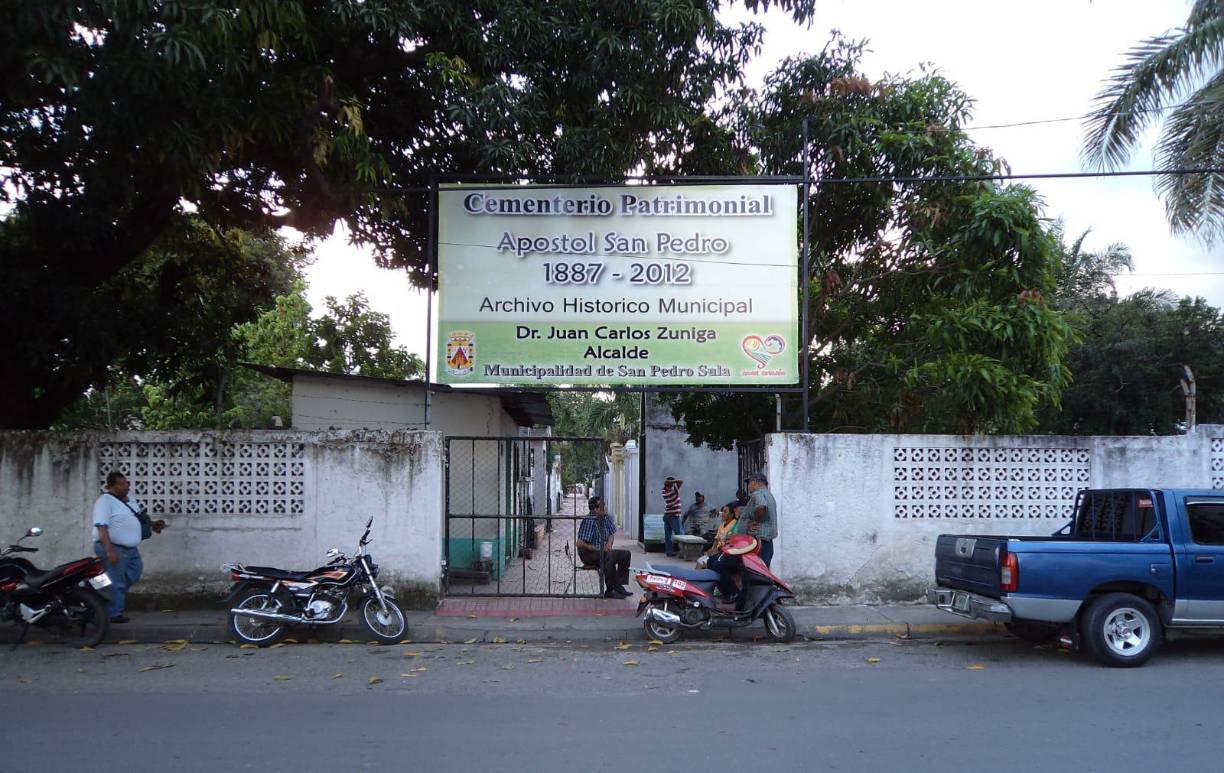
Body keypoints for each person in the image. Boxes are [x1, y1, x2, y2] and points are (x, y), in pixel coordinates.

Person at [92, 471, 166, 623]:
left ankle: (102, 594)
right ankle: (113, 614)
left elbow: (136, 516)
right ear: (110, 486)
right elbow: (102, 527)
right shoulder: (104, 501)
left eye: (126, 483)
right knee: (117, 581)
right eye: (122, 484)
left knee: (134, 573)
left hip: (130, 549)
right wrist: (109, 550)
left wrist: (152, 525)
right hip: (113, 547)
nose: (126, 486)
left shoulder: (129, 499)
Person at [576, 496, 631, 598]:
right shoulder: (590, 520)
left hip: (602, 551)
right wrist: (596, 548)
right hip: (588, 554)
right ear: (596, 509)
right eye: (603, 506)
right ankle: (610, 590)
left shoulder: (605, 517)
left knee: (625, 554)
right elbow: (579, 543)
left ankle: (618, 585)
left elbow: (611, 534)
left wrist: (609, 544)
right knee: (609, 556)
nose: (605, 507)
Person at [735, 472, 778, 568]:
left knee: (753, 571)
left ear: (755, 482)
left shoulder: (758, 493)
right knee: (762, 571)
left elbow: (761, 506)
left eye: (749, 483)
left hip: (758, 541)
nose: (749, 486)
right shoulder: (768, 494)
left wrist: (755, 520)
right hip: (766, 541)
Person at [696, 502, 739, 569]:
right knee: (699, 561)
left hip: (724, 553)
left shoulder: (734, 526)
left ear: (731, 514)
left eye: (725, 512)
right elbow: (716, 540)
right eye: (722, 512)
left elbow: (729, 542)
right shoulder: (722, 525)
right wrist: (712, 549)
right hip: (717, 551)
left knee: (703, 564)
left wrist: (715, 551)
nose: (722, 514)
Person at [662, 476, 684, 557]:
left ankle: (669, 552)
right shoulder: (672, 491)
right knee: (680, 534)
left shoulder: (664, 490)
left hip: (667, 515)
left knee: (668, 536)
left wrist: (670, 482)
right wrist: (673, 482)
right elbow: (681, 481)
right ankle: (683, 551)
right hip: (674, 516)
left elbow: (680, 481)